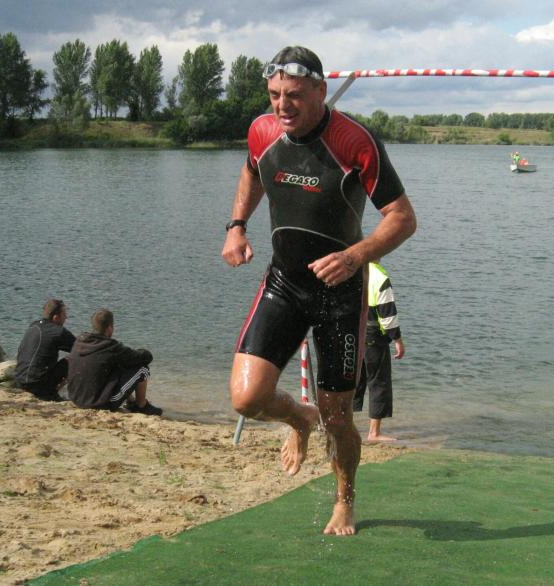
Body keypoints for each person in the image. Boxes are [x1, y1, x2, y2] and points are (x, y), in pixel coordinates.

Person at [221, 46, 417, 536]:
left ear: (320, 90)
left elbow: (402, 217)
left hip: (341, 294)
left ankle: (344, 498)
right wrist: (237, 226)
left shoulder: (354, 141)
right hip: (285, 283)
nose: (281, 105)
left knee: (339, 418)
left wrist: (356, 256)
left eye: (293, 95)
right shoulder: (262, 131)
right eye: (274, 95)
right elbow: (251, 170)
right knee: (246, 398)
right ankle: (298, 417)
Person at [66, 309, 162, 416]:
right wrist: (141, 351)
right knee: (142, 369)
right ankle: (141, 405)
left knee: (116, 365)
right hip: (99, 403)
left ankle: (131, 401)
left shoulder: (80, 341)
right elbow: (146, 357)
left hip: (75, 398)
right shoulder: (110, 347)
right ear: (110, 328)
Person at [353, 261, 405, 442]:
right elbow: (388, 316)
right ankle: (374, 432)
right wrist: (398, 340)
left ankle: (347, 425)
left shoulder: (353, 271)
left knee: (354, 380)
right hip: (374, 336)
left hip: (354, 332)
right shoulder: (380, 277)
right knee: (378, 381)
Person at [14, 298, 76, 401]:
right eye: (64, 314)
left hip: (19, 381)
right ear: (56, 317)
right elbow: (81, 349)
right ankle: (60, 392)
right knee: (74, 358)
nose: (66, 317)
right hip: (39, 386)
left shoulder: (33, 326)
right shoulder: (58, 332)